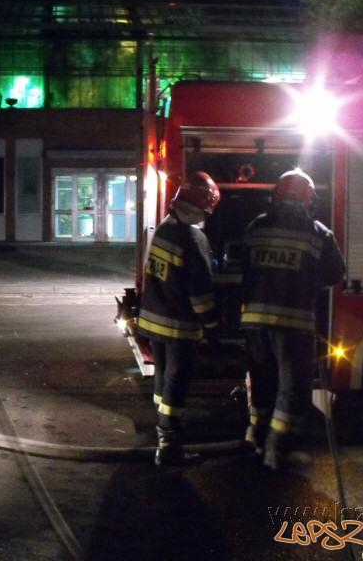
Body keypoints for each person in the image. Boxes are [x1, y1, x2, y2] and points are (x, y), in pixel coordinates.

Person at [239, 168, 345, 470]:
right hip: (293, 325)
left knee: (261, 383)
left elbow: (245, 269)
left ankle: (258, 441)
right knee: (291, 387)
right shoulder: (317, 232)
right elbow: (335, 274)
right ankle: (278, 449)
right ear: (307, 198)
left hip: (255, 323)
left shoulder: (255, 227)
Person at [137, 171, 221, 466]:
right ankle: (170, 447)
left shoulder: (164, 227)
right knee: (177, 382)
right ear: (204, 205)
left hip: (154, 322)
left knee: (163, 380)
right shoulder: (193, 238)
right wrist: (212, 326)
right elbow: (200, 293)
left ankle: (163, 434)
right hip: (179, 327)